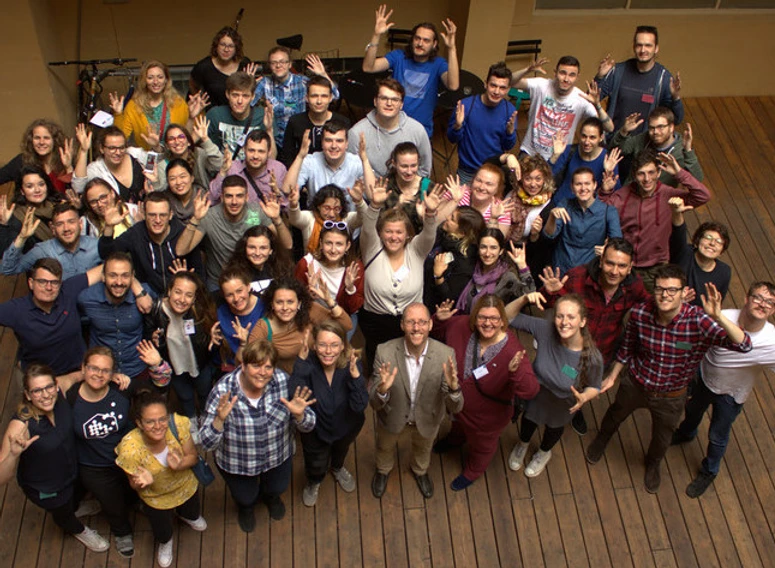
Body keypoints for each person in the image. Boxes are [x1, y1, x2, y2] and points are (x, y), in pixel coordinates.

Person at [585, 265, 752, 493]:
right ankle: (602, 439)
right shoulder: (640, 313)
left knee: (662, 436)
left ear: (684, 293)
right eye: (660, 289)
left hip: (671, 396)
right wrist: (613, 376)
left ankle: (653, 463)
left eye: (672, 290)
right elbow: (627, 347)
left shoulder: (698, 321)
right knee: (615, 414)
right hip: (635, 383)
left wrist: (718, 316)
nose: (665, 295)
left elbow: (743, 345)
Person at [199, 339, 316, 532]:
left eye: (268, 367)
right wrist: (219, 420)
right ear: (243, 366)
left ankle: (271, 499)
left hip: (277, 457)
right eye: (256, 365)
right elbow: (205, 443)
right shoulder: (222, 391)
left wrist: (299, 415)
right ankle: (246, 508)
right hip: (238, 464)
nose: (263, 372)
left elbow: (309, 425)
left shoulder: (283, 382)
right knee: (245, 497)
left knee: (277, 488)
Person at [672, 281, 775, 498]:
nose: (762, 304)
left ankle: (709, 471)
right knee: (692, 411)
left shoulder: (772, 342)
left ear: (773, 309)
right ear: (747, 299)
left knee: (718, 435)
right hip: (705, 380)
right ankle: (686, 433)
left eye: (769, 302)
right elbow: (691, 341)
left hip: (732, 394)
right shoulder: (722, 316)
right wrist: (672, 345)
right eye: (758, 297)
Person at [537, 238, 650, 436]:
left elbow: (649, 307)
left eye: (622, 266)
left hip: (600, 352)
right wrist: (550, 292)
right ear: (600, 260)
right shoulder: (577, 278)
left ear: (630, 267)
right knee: (557, 378)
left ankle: (575, 408)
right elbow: (546, 304)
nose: (615, 271)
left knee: (581, 385)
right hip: (567, 348)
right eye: (610, 263)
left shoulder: (635, 286)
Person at [431, 295, 539, 489]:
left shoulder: (513, 352)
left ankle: (473, 471)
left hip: (486, 418)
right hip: (456, 404)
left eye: (494, 318)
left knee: (482, 447)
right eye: (482, 317)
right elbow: (436, 333)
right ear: (474, 317)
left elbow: (530, 391)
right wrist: (439, 319)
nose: (487, 323)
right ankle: (455, 439)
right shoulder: (460, 325)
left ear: (502, 321)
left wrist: (515, 374)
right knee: (457, 426)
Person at [0, 364, 110, 552]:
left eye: (48, 387)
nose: (45, 395)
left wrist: (111, 377)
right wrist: (13, 454)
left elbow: (79, 375)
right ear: (27, 395)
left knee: (74, 496)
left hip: (70, 470)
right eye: (37, 391)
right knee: (62, 512)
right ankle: (78, 529)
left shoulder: (60, 393)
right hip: (46, 486)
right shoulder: (21, 424)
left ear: (56, 385)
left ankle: (76, 507)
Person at [369, 303, 462, 498]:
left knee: (423, 449)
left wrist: (454, 388)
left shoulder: (446, 355)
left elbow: (456, 406)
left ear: (430, 325)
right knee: (384, 447)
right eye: (411, 322)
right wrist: (382, 391)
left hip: (428, 419)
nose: (416, 328)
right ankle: (383, 470)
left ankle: (420, 471)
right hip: (392, 418)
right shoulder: (384, 352)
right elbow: (374, 404)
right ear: (402, 325)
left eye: (421, 322)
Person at [505, 293, 603, 477]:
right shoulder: (545, 329)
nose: (564, 322)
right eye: (560, 316)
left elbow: (595, 386)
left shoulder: (592, 357)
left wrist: (585, 397)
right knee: (527, 421)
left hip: (562, 403)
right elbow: (506, 317)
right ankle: (523, 444)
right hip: (535, 393)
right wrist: (524, 299)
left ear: (582, 321)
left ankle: (543, 453)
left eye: (571, 317)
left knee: (553, 429)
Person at [359, 179, 444, 372]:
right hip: (375, 322)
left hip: (410, 322)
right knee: (377, 367)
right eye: (388, 231)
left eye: (399, 232)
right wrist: (374, 206)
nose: (394, 236)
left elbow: (429, 235)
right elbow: (367, 228)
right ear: (380, 233)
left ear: (407, 234)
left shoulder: (416, 250)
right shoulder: (372, 248)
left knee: (408, 365)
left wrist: (430, 213)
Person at [115, 390, 207, 567]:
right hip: (156, 498)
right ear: (139, 423)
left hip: (185, 486)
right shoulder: (129, 449)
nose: (158, 426)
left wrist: (179, 464)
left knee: (192, 512)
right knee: (163, 531)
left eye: (162, 419)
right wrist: (141, 483)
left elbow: (193, 457)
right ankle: (166, 543)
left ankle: (189, 517)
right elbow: (133, 486)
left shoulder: (178, 425)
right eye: (150, 421)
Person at [599, 149, 710, 291]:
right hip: (625, 266)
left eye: (651, 172)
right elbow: (600, 212)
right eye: (641, 173)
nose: (647, 179)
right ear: (634, 175)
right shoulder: (623, 195)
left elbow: (703, 196)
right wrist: (605, 191)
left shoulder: (668, 194)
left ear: (658, 173)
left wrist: (679, 173)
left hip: (656, 267)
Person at [65, 347, 135, 557]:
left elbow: (157, 389)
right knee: (112, 503)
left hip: (126, 458)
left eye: (105, 370)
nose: (99, 374)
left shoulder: (121, 390)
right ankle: (122, 533)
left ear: (113, 373)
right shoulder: (70, 399)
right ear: (83, 369)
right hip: (94, 466)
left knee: (132, 492)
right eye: (94, 368)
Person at [292, 320, 368, 506]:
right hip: (315, 432)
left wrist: (356, 378)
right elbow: (296, 398)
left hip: (346, 428)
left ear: (343, 345)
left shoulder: (352, 366)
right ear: (314, 345)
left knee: (340, 453)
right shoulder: (306, 364)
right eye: (323, 345)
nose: (328, 351)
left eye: (334, 345)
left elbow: (359, 406)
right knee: (315, 462)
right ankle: (314, 481)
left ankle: (337, 468)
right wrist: (300, 367)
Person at [175, 176, 291, 291]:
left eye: (239, 196)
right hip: (218, 281)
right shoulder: (209, 216)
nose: (234, 202)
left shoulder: (257, 212)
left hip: (251, 280)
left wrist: (277, 220)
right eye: (229, 196)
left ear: (247, 197)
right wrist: (195, 219)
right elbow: (181, 250)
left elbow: (287, 245)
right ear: (221, 198)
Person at [363, 5, 459, 136]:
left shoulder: (438, 63)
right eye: (417, 38)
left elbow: (453, 85)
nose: (420, 43)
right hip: (392, 127)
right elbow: (369, 67)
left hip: (420, 130)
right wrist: (376, 35)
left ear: (434, 44)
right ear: (412, 40)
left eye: (426, 40)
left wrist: (452, 48)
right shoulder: (398, 56)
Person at [0, 258, 103, 380]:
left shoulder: (68, 291)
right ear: (31, 283)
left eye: (54, 282)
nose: (49, 287)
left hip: (78, 373)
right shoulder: (16, 309)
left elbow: (107, 268)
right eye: (42, 282)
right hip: (42, 380)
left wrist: (133, 284)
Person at [143, 272, 218, 425]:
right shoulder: (157, 310)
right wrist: (153, 338)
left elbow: (208, 340)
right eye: (178, 292)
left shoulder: (200, 311)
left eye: (188, 295)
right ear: (169, 291)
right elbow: (147, 334)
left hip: (200, 363)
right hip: (174, 366)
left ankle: (204, 419)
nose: (182, 300)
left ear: (194, 299)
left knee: (204, 393)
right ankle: (191, 421)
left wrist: (212, 339)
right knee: (185, 396)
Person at [510, 56, 613, 160]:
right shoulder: (541, 86)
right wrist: (527, 70)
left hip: (558, 158)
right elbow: (509, 82)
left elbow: (609, 128)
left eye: (572, 75)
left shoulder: (581, 99)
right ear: (555, 73)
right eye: (562, 73)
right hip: (529, 152)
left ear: (577, 77)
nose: (566, 79)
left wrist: (597, 105)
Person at [99, 191, 201, 296]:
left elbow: (200, 277)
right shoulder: (137, 233)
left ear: (170, 215)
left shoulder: (183, 234)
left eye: (163, 215)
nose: (157, 220)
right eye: (152, 215)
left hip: (179, 299)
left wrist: (184, 279)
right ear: (144, 214)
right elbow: (106, 254)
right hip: (146, 297)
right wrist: (109, 227)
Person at [78, 252, 158, 385]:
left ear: (132, 277)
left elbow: (161, 315)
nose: (119, 282)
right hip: (102, 375)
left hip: (137, 369)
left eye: (125, 276)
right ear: (103, 277)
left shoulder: (145, 294)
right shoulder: (86, 298)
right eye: (113, 275)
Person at [246, 277, 351, 374]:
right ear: (272, 304)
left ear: (299, 303)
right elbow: (249, 360)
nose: (285, 307)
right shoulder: (263, 327)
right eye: (279, 302)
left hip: (320, 373)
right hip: (292, 382)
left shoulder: (310, 310)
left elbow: (346, 326)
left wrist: (329, 301)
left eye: (290, 302)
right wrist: (242, 344)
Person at [595, 25, 683, 137]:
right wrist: (600, 77)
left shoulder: (663, 78)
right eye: (639, 45)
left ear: (656, 48)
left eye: (648, 45)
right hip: (613, 144)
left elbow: (677, 119)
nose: (643, 50)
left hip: (644, 148)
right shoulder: (618, 71)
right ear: (634, 47)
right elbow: (590, 101)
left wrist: (676, 97)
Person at [251, 48, 340, 149]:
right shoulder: (265, 83)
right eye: (274, 62)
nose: (278, 65)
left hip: (299, 139)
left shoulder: (302, 82)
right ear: (269, 65)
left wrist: (323, 74)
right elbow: (249, 104)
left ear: (290, 64)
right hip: (275, 140)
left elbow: (335, 95)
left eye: (283, 62)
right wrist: (248, 85)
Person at [448, 61, 518, 185]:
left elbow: (508, 146)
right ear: (485, 84)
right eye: (493, 85)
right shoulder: (466, 106)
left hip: (493, 171)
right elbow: (452, 138)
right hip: (467, 171)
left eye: (502, 88)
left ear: (508, 90)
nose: (497, 91)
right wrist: (457, 126)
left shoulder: (510, 111)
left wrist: (510, 133)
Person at [543, 167, 622, 274]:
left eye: (587, 183)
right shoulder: (565, 204)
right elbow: (549, 235)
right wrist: (552, 217)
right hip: (561, 268)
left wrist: (607, 251)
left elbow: (617, 243)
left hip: (589, 271)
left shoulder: (609, 211)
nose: (583, 188)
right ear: (572, 187)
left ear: (594, 185)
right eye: (578, 184)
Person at [346, 78, 432, 178]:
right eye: (383, 98)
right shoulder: (356, 133)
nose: (389, 103)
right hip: (371, 190)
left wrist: (413, 191)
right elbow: (352, 171)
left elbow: (425, 171)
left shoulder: (417, 130)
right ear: (375, 101)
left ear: (401, 105)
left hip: (408, 189)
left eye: (395, 99)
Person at [283, 121, 375, 209]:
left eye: (339, 141)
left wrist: (365, 160)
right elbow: (287, 189)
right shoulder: (310, 161)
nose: (334, 146)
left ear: (346, 144)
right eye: (328, 140)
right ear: (322, 143)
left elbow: (372, 195)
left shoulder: (357, 162)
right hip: (316, 222)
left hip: (349, 222)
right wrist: (300, 156)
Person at [110, 59, 195, 152]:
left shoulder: (177, 102)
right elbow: (121, 138)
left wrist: (191, 117)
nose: (156, 81)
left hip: (174, 155)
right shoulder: (134, 106)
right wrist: (118, 114)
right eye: (150, 77)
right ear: (144, 81)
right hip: (147, 157)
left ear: (166, 79)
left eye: (160, 77)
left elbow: (187, 135)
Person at [1, 202, 100, 280]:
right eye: (60, 224)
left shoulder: (96, 246)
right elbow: (8, 269)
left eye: (71, 222)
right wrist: (21, 237)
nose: (66, 228)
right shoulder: (43, 250)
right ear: (53, 229)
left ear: (80, 224)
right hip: (59, 304)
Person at [610, 107, 702, 186]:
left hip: (659, 201)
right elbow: (614, 151)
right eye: (651, 128)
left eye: (661, 127)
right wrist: (623, 132)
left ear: (671, 127)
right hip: (631, 196)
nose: (655, 132)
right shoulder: (644, 138)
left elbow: (697, 181)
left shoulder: (681, 150)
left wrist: (688, 151)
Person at [295, 223, 364, 327]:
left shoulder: (354, 267)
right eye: (328, 243)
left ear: (347, 246)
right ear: (321, 243)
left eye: (339, 244)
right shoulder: (307, 264)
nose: (333, 250)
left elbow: (353, 308)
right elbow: (294, 299)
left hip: (341, 316)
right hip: (313, 316)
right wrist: (308, 293)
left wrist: (350, 288)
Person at [72, 125, 162, 203]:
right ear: (102, 149)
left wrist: (155, 147)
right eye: (112, 148)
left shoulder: (134, 154)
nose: (118, 152)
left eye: (121, 147)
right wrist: (84, 151)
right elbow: (78, 187)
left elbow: (154, 162)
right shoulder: (97, 168)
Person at [456, 228, 535, 314]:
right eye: (483, 247)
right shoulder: (471, 268)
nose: (487, 253)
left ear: (500, 251)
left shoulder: (507, 277)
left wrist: (522, 266)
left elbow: (529, 295)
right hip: (466, 321)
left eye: (493, 248)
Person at [669, 197, 731, 306]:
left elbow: (716, 305)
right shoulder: (684, 252)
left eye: (719, 241)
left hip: (697, 319)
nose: (712, 243)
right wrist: (677, 213)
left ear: (722, 251)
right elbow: (678, 232)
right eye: (708, 237)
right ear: (697, 241)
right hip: (669, 307)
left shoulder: (724, 271)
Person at [279, 76, 351, 168]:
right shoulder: (295, 122)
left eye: (324, 96)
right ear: (306, 98)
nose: (319, 101)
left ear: (330, 98)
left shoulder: (343, 122)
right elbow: (287, 156)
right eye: (314, 96)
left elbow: (348, 154)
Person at [549, 117, 622, 204]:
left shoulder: (608, 159)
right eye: (584, 136)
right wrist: (555, 156)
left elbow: (616, 192)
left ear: (601, 137)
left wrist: (609, 172)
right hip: (559, 204)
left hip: (585, 211)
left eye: (592, 137)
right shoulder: (570, 150)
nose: (587, 142)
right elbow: (547, 176)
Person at [424, 206, 485, 308]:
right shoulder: (443, 236)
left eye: (452, 219)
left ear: (462, 232)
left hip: (434, 311)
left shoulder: (465, 261)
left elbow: (449, 299)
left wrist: (438, 276)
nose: (447, 217)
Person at [209, 129, 287, 205]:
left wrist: (278, 193)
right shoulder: (232, 168)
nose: (255, 156)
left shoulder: (278, 169)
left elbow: (288, 210)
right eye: (251, 150)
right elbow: (211, 200)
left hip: (267, 216)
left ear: (269, 152)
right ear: (244, 149)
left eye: (261, 151)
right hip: (237, 217)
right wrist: (222, 172)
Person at [206, 72, 271, 161]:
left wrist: (269, 129)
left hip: (252, 170)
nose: (240, 101)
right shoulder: (215, 114)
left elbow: (272, 158)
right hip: (223, 170)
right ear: (227, 94)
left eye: (245, 96)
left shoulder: (262, 115)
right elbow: (192, 144)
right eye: (235, 95)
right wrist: (191, 118)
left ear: (252, 97)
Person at [0, 165, 65, 255]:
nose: (37, 190)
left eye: (41, 184)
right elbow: (6, 255)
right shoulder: (17, 216)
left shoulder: (60, 205)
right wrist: (4, 224)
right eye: (30, 186)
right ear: (22, 191)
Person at [288, 182, 365, 254]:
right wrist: (293, 205)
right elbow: (295, 219)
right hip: (312, 266)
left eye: (337, 209)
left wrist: (359, 202)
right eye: (327, 208)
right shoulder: (310, 218)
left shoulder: (346, 220)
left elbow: (364, 217)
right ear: (318, 206)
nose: (331, 214)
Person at [0, 118, 73, 193]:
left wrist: (68, 167)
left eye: (46, 138)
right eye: (37, 138)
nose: (41, 142)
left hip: (61, 204)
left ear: (55, 140)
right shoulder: (22, 160)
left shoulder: (66, 160)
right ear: (31, 140)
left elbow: (77, 194)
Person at [215, 267, 265, 372]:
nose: (236, 298)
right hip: (232, 369)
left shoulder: (265, 308)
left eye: (239, 291)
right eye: (229, 295)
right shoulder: (221, 314)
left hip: (261, 367)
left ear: (248, 287)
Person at [189, 26, 252, 108]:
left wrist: (250, 81)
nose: (226, 49)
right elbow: (193, 86)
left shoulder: (244, 64)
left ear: (236, 49)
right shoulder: (204, 66)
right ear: (216, 46)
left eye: (231, 46)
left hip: (239, 113)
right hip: (213, 115)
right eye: (223, 45)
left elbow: (251, 92)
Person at [224, 225, 294, 295]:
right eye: (252, 247)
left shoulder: (282, 269)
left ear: (271, 250)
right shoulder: (234, 274)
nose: (257, 253)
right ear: (244, 248)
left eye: (263, 248)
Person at [446, 163, 512, 237]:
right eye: (479, 180)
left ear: (498, 189)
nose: (481, 187)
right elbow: (435, 220)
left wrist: (493, 218)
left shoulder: (502, 210)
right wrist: (454, 201)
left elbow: (495, 244)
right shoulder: (458, 192)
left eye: (489, 184)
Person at [157, 119, 224, 191]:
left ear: (189, 141)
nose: (177, 142)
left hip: (204, 197)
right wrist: (155, 182)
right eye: (171, 139)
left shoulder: (199, 154)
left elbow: (218, 166)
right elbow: (161, 191)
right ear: (167, 146)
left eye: (181, 137)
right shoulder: (162, 165)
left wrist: (205, 139)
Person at [383, 142, 435, 234]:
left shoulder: (427, 186)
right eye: (404, 166)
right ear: (394, 164)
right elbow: (378, 224)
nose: (409, 172)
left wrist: (424, 217)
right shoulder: (386, 185)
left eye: (413, 166)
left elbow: (435, 230)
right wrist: (397, 207)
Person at [162, 158, 202, 223]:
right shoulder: (164, 200)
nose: (178, 182)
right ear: (168, 182)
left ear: (192, 178)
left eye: (182, 176)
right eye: (172, 179)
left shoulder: (203, 197)